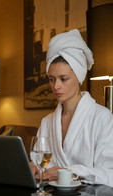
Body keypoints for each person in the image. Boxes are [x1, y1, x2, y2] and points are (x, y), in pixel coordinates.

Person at [31, 29, 113, 187]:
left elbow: (110, 173)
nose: (56, 86)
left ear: (79, 76)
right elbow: (40, 165)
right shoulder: (47, 122)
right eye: (52, 79)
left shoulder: (102, 118)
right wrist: (32, 166)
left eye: (63, 79)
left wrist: (70, 171)